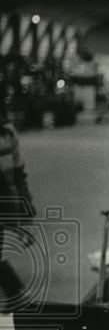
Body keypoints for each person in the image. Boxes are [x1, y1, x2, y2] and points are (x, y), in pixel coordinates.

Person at [0, 116, 37, 313]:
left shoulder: (7, 134)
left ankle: (15, 294)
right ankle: (16, 294)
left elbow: (18, 175)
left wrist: (26, 216)